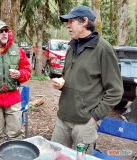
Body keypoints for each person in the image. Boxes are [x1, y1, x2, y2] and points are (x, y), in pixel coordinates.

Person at [51, 6, 123, 155]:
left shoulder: (104, 49)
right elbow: (68, 76)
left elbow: (116, 91)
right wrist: (61, 82)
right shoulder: (71, 47)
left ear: (84, 21)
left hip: (85, 122)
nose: (68, 25)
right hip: (63, 117)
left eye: (71, 21)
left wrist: (94, 118)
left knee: (81, 158)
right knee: (56, 156)